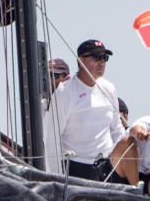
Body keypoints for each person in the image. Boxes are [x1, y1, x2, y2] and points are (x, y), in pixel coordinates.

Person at [44, 39, 126, 180]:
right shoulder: (65, 93)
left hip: (106, 168)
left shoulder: (109, 88)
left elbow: (117, 130)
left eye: (104, 58)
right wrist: (57, 178)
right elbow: (52, 138)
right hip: (75, 168)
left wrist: (120, 169)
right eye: (96, 57)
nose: (102, 62)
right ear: (80, 60)